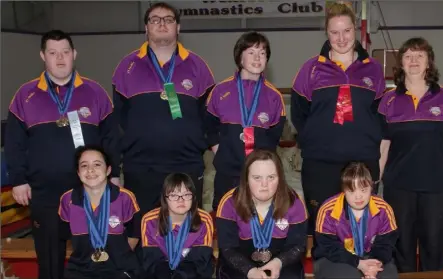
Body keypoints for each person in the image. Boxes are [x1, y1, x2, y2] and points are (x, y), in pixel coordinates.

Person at [5, 30, 119, 279]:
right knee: (49, 262)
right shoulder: (25, 96)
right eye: (53, 53)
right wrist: (19, 180)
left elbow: (111, 139)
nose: (60, 59)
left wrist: (115, 175)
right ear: (42, 56)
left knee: (95, 256)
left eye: (65, 52)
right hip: (45, 193)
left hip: (90, 191)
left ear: (74, 54)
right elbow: (13, 143)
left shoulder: (95, 92)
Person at [290, 3, 386, 233]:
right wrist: (318, 141)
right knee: (323, 229)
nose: (341, 38)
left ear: (355, 30)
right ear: (326, 33)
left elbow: (380, 115)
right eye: (334, 32)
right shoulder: (310, 69)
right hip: (320, 165)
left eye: (347, 31)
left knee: (362, 228)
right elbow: (299, 114)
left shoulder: (373, 69)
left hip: (363, 163)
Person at [112, 2, 215, 214]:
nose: (162, 24)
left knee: (188, 232)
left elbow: (209, 118)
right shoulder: (127, 66)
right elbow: (118, 120)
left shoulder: (198, 66)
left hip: (186, 163)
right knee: (141, 233)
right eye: (155, 20)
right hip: (140, 166)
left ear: (178, 27)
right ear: (146, 28)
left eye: (168, 20)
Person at [378, 37, 443, 272]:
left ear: (429, 62)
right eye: (408, 56)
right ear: (401, 65)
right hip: (399, 187)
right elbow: (383, 146)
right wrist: (374, 185)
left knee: (434, 249)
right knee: (401, 248)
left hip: (438, 187)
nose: (414, 60)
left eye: (420, 55)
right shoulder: (388, 100)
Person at [206, 31, 286, 212]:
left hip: (260, 177)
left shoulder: (274, 96)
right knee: (225, 222)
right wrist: (220, 151)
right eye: (251, 52)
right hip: (228, 173)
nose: (258, 58)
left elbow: (273, 138)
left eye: (263, 53)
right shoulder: (220, 91)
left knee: (259, 225)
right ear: (239, 57)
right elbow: (209, 127)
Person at [216, 149, 308, 279]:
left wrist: (278, 263)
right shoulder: (229, 203)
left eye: (271, 177)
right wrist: (250, 271)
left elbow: (298, 245)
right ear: (246, 179)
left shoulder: (294, 202)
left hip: (280, 262)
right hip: (240, 263)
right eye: (257, 178)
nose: (264, 185)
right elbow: (227, 249)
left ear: (280, 178)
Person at [59, 145, 141, 279]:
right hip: (81, 269)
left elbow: (134, 235)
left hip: (119, 268)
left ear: (108, 170)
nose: (90, 170)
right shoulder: (67, 200)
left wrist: (118, 257)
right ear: (78, 172)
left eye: (97, 164)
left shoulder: (125, 197)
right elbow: (65, 234)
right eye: (84, 166)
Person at [313, 162, 398, 279]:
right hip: (335, 258)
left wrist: (373, 267)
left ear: (371, 188)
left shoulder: (384, 209)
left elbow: (386, 244)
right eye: (352, 191)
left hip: (373, 257)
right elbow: (328, 247)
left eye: (363, 190)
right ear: (343, 190)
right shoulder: (328, 210)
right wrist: (358, 263)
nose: (358, 197)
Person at [141, 173, 214, 279]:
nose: (181, 200)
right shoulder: (149, 221)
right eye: (174, 195)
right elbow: (152, 262)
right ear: (165, 198)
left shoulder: (204, 220)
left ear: (193, 197)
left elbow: (200, 263)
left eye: (186, 194)